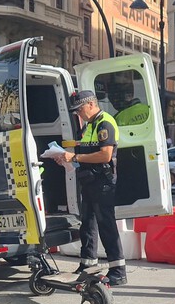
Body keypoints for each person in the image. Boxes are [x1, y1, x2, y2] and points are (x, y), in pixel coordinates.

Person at [53, 90, 127, 286]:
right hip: (89, 181)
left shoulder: (105, 122)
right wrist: (67, 159)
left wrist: (75, 158)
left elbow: (105, 155)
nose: (78, 114)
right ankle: (87, 264)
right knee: (88, 224)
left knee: (106, 225)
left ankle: (118, 271)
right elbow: (86, 152)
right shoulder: (88, 126)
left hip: (103, 182)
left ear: (92, 104)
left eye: (79, 109)